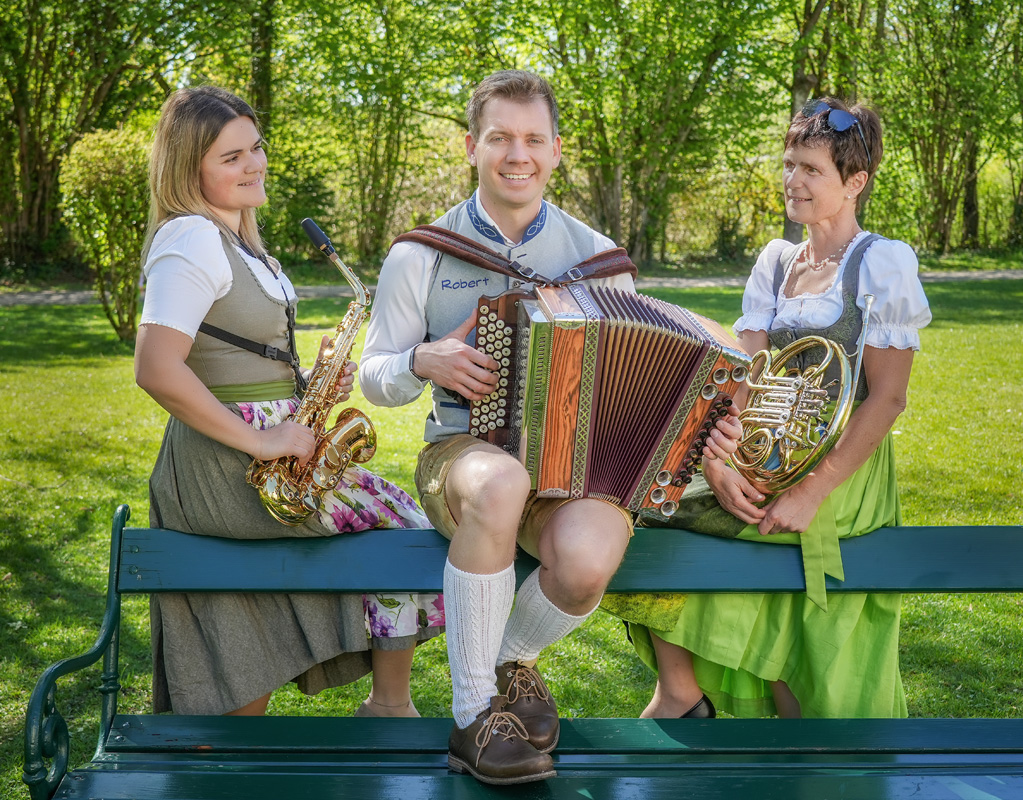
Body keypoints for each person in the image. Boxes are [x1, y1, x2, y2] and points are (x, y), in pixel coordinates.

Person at [359, 70, 740, 785]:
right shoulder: (422, 253)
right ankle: (475, 716)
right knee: (502, 481)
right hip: (464, 456)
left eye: (534, 139)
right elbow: (373, 374)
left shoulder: (598, 257)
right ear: (472, 146)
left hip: (578, 470)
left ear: (557, 150)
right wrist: (421, 359)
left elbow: (646, 380)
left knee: (592, 556)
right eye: (500, 137)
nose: (518, 155)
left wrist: (703, 427)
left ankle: (512, 661)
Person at [133, 86, 444, 719]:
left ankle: (372, 707)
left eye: (256, 147)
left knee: (399, 531)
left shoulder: (237, 239)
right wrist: (263, 440)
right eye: (231, 158)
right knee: (407, 530)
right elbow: (156, 368)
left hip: (262, 448)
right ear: (189, 169)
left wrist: (306, 384)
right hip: (230, 464)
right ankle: (389, 706)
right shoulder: (191, 237)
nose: (254, 165)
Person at [621, 97, 931, 721]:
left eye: (812, 169)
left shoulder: (881, 263)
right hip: (766, 450)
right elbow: (742, 382)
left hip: (841, 469)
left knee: (756, 539)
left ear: (855, 183)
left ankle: (787, 722)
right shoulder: (777, 263)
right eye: (790, 164)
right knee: (644, 504)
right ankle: (678, 691)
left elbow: (889, 398)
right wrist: (718, 462)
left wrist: (812, 491)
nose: (794, 180)